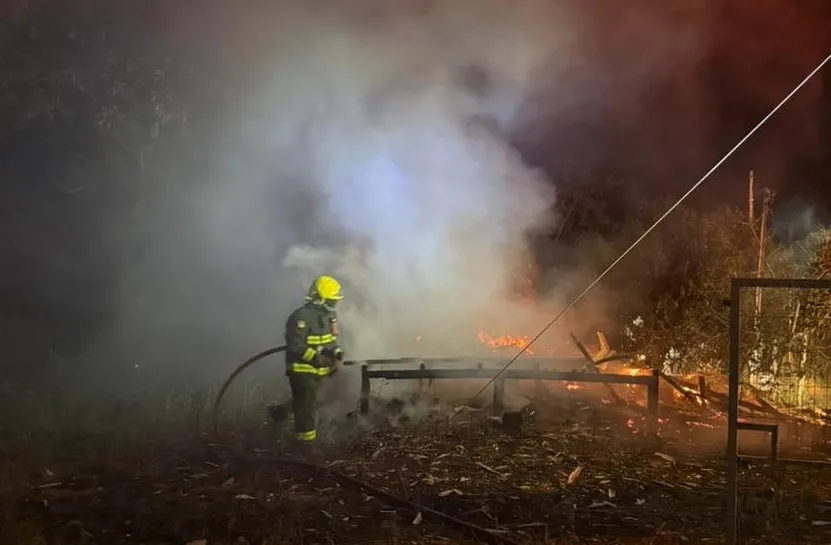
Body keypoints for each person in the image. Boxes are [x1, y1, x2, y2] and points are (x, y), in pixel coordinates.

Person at [270, 275, 346, 449]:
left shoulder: (329, 317)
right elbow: (295, 345)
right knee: (307, 406)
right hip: (301, 369)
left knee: (312, 401)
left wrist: (336, 352)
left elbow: (330, 341)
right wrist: (315, 357)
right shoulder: (299, 317)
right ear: (319, 297)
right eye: (331, 300)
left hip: (319, 370)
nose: (334, 304)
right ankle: (305, 446)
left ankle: (279, 413)